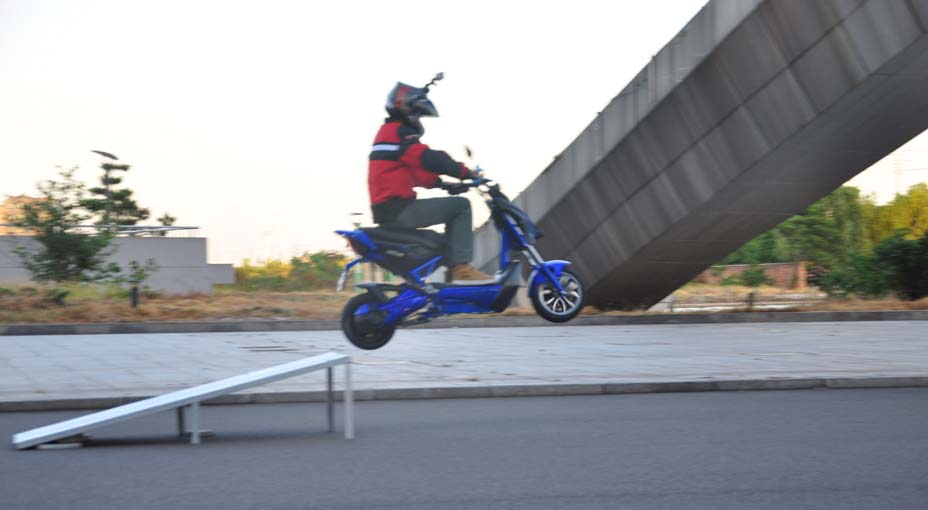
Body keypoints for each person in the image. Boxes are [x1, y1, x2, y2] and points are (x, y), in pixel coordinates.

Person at [368, 78, 494, 282]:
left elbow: (414, 173)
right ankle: (461, 269)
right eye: (417, 114)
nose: (418, 119)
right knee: (461, 207)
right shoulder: (398, 134)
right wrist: (465, 173)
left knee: (445, 237)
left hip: (390, 208)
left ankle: (449, 271)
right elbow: (429, 159)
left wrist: (443, 184)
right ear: (407, 110)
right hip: (398, 209)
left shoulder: (389, 135)